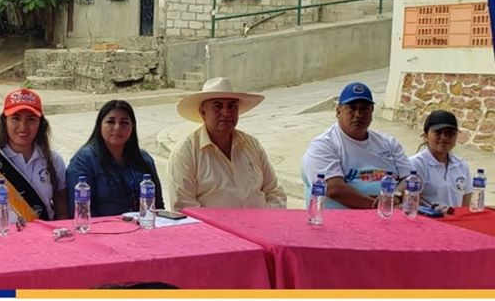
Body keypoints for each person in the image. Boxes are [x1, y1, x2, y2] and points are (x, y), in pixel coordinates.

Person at [168, 77, 286, 209]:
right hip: (212, 224)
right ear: (203, 112)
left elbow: (275, 193)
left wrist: (265, 218)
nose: (226, 112)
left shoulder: (252, 145)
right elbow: (184, 208)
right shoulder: (185, 153)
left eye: (232, 106)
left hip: (261, 222)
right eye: (217, 106)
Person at [301, 82, 412, 209]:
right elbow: (334, 189)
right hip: (342, 218)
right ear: (338, 111)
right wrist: (380, 207)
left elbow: (410, 178)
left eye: (364, 109)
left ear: (372, 112)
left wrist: (396, 195)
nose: (358, 114)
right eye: (352, 108)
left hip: (391, 212)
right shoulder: (324, 145)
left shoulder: (388, 142)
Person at [0, 88, 68, 225]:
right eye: (15, 118)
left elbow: (63, 214)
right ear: (4, 121)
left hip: (44, 236)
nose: (23, 126)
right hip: (1, 236)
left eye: (31, 119)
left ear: (40, 124)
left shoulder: (54, 160)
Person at [66, 100, 164, 217]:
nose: (117, 128)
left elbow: (158, 205)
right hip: (103, 226)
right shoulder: (83, 161)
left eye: (124, 123)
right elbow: (80, 212)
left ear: (132, 127)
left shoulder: (144, 159)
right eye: (110, 122)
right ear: (99, 126)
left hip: (144, 224)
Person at [410, 110, 471, 210]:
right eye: (438, 132)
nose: (444, 137)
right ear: (425, 135)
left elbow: (466, 202)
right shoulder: (416, 164)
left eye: (450, 133)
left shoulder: (461, 165)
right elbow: (412, 203)